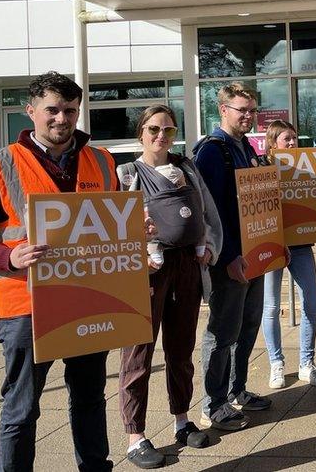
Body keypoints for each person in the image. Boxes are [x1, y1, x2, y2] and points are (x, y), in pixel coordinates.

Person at [0, 72, 120, 471]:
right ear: (30, 111)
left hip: (88, 300)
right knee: (20, 409)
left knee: (89, 401)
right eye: (52, 110)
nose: (61, 119)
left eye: (69, 110)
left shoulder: (102, 160)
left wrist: (136, 229)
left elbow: (114, 226)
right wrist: (8, 259)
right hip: (25, 305)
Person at [115, 105, 223, 468]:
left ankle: (181, 420)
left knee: (181, 350)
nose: (161, 136)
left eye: (168, 130)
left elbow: (207, 212)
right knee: (138, 356)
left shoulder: (188, 168)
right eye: (153, 129)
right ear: (140, 133)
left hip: (187, 268)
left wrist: (209, 245)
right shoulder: (128, 174)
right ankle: (135, 436)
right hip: (147, 272)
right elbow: (114, 228)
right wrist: (135, 248)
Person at [193, 82, 272, 431]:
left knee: (248, 326)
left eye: (252, 110)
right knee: (222, 333)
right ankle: (214, 403)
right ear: (223, 110)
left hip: (253, 256)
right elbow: (210, 213)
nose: (248, 116)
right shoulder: (212, 151)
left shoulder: (245, 148)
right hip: (230, 261)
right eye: (242, 110)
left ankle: (237, 390)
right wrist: (227, 257)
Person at [260, 120, 316, 389]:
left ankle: (306, 363)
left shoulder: (306, 167)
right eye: (286, 139)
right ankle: (276, 363)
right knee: (271, 307)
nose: (292, 143)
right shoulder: (261, 169)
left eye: (294, 139)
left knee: (311, 303)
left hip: (299, 245)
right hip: (271, 244)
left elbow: (315, 197)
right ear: (273, 142)